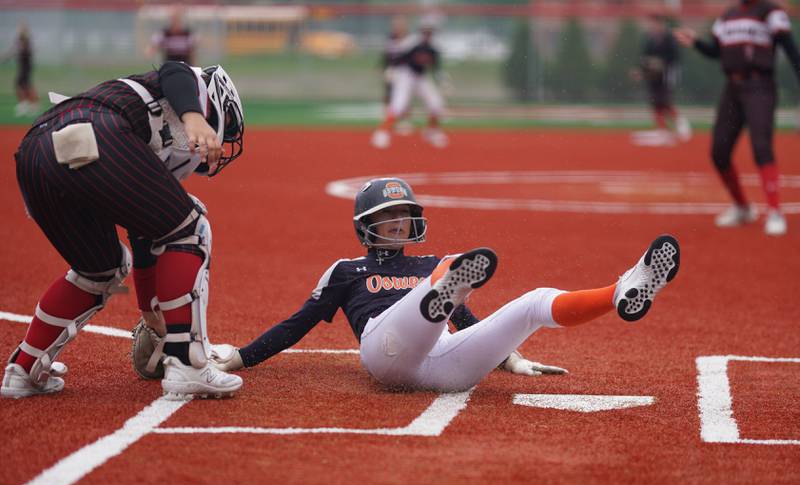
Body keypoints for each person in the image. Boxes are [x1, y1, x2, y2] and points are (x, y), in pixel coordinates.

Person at [210, 178, 681, 393]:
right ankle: (437, 298)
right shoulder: (345, 270)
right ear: (365, 225)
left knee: (533, 301)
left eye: (403, 215)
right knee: (446, 277)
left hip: (449, 368)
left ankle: (620, 291)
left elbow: (467, 318)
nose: (397, 223)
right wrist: (242, 357)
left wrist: (510, 358)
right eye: (387, 217)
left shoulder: (433, 263)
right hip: (385, 352)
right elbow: (298, 324)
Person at [1, 60, 246, 399]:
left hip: (34, 155)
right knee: (192, 228)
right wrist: (194, 117)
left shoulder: (147, 139)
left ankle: (23, 371)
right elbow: (174, 70)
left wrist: (149, 312)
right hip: (92, 132)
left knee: (99, 270)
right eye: (227, 124)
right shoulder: (187, 87)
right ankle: (189, 364)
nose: (224, 137)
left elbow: (146, 233)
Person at [675, 0, 800, 236]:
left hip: (760, 85)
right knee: (719, 151)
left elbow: (790, 48)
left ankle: (774, 211)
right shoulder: (728, 15)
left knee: (761, 147)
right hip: (732, 87)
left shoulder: (770, 11)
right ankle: (742, 207)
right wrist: (696, 43)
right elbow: (716, 51)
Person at [371, 18, 449, 149]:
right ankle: (381, 133)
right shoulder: (413, 42)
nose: (427, 34)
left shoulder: (434, 47)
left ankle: (431, 131)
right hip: (405, 74)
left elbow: (436, 67)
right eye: (425, 31)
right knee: (398, 105)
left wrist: (442, 80)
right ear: (421, 31)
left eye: (430, 31)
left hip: (420, 77)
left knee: (436, 103)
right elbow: (398, 57)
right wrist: (391, 69)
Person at [630, 11, 691, 146]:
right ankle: (662, 130)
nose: (653, 26)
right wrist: (639, 71)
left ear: (662, 24)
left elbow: (675, 58)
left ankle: (681, 124)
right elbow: (644, 58)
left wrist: (661, 64)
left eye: (656, 23)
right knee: (655, 102)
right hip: (653, 76)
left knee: (665, 102)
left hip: (666, 75)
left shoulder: (669, 39)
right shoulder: (650, 40)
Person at [381, 16, 414, 136]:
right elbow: (387, 56)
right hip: (392, 71)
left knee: (404, 97)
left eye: (400, 25)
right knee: (389, 95)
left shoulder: (410, 40)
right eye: (396, 25)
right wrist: (385, 68)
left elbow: (409, 57)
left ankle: (404, 121)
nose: (398, 27)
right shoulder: (390, 39)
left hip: (405, 72)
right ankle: (389, 120)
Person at [4, 22, 40, 117]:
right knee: (20, 84)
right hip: (22, 65)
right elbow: (13, 50)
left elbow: (29, 51)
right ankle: (25, 103)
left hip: (27, 65)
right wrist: (5, 57)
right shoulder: (19, 40)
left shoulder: (27, 40)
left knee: (26, 84)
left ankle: (33, 104)